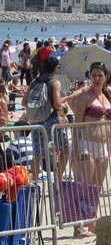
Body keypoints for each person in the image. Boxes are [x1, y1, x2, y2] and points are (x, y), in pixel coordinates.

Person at [67, 62, 111, 236]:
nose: (97, 78)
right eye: (93, 75)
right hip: (85, 144)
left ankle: (91, 221)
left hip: (103, 147)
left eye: (100, 75)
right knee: (83, 185)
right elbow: (76, 124)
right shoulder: (84, 97)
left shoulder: (107, 98)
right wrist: (75, 148)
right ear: (89, 77)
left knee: (96, 187)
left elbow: (109, 127)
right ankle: (78, 225)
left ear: (106, 77)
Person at [21, 56, 69, 184]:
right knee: (65, 150)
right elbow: (57, 105)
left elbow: (24, 102)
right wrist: (65, 99)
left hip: (36, 121)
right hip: (51, 121)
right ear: (55, 68)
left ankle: (32, 181)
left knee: (38, 154)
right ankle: (58, 179)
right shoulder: (55, 82)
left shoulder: (35, 82)